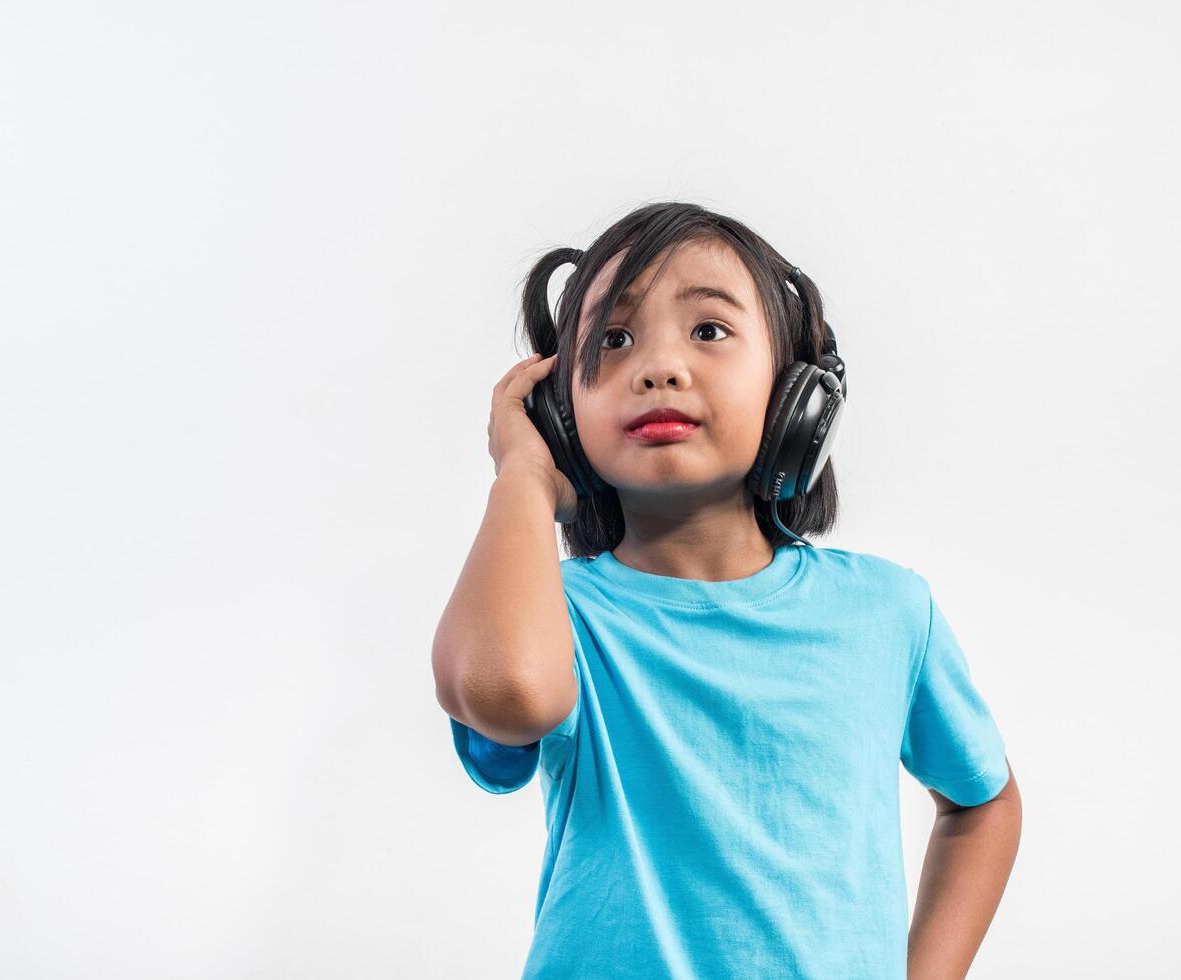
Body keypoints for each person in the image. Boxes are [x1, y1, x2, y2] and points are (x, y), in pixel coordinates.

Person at [431, 201, 1022, 979]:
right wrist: (523, 477)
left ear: (797, 397)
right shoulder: (553, 614)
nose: (657, 367)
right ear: (557, 415)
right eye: (612, 339)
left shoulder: (886, 611)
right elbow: (508, 693)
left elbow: (982, 803)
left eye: (708, 330)